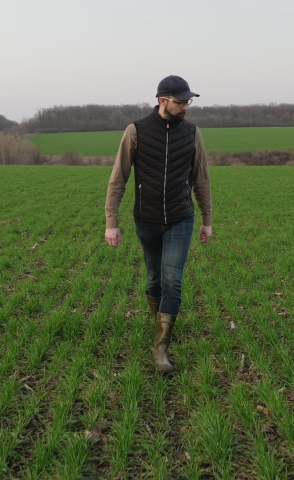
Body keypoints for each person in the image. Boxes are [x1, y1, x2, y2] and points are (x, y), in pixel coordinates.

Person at [104, 75, 213, 373]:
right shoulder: (136, 131)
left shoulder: (192, 133)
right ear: (162, 100)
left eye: (188, 102)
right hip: (147, 219)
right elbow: (118, 178)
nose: (185, 107)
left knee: (172, 280)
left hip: (180, 218)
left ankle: (160, 348)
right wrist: (111, 221)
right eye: (180, 102)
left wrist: (207, 219)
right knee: (153, 278)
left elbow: (201, 178)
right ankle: (159, 323)